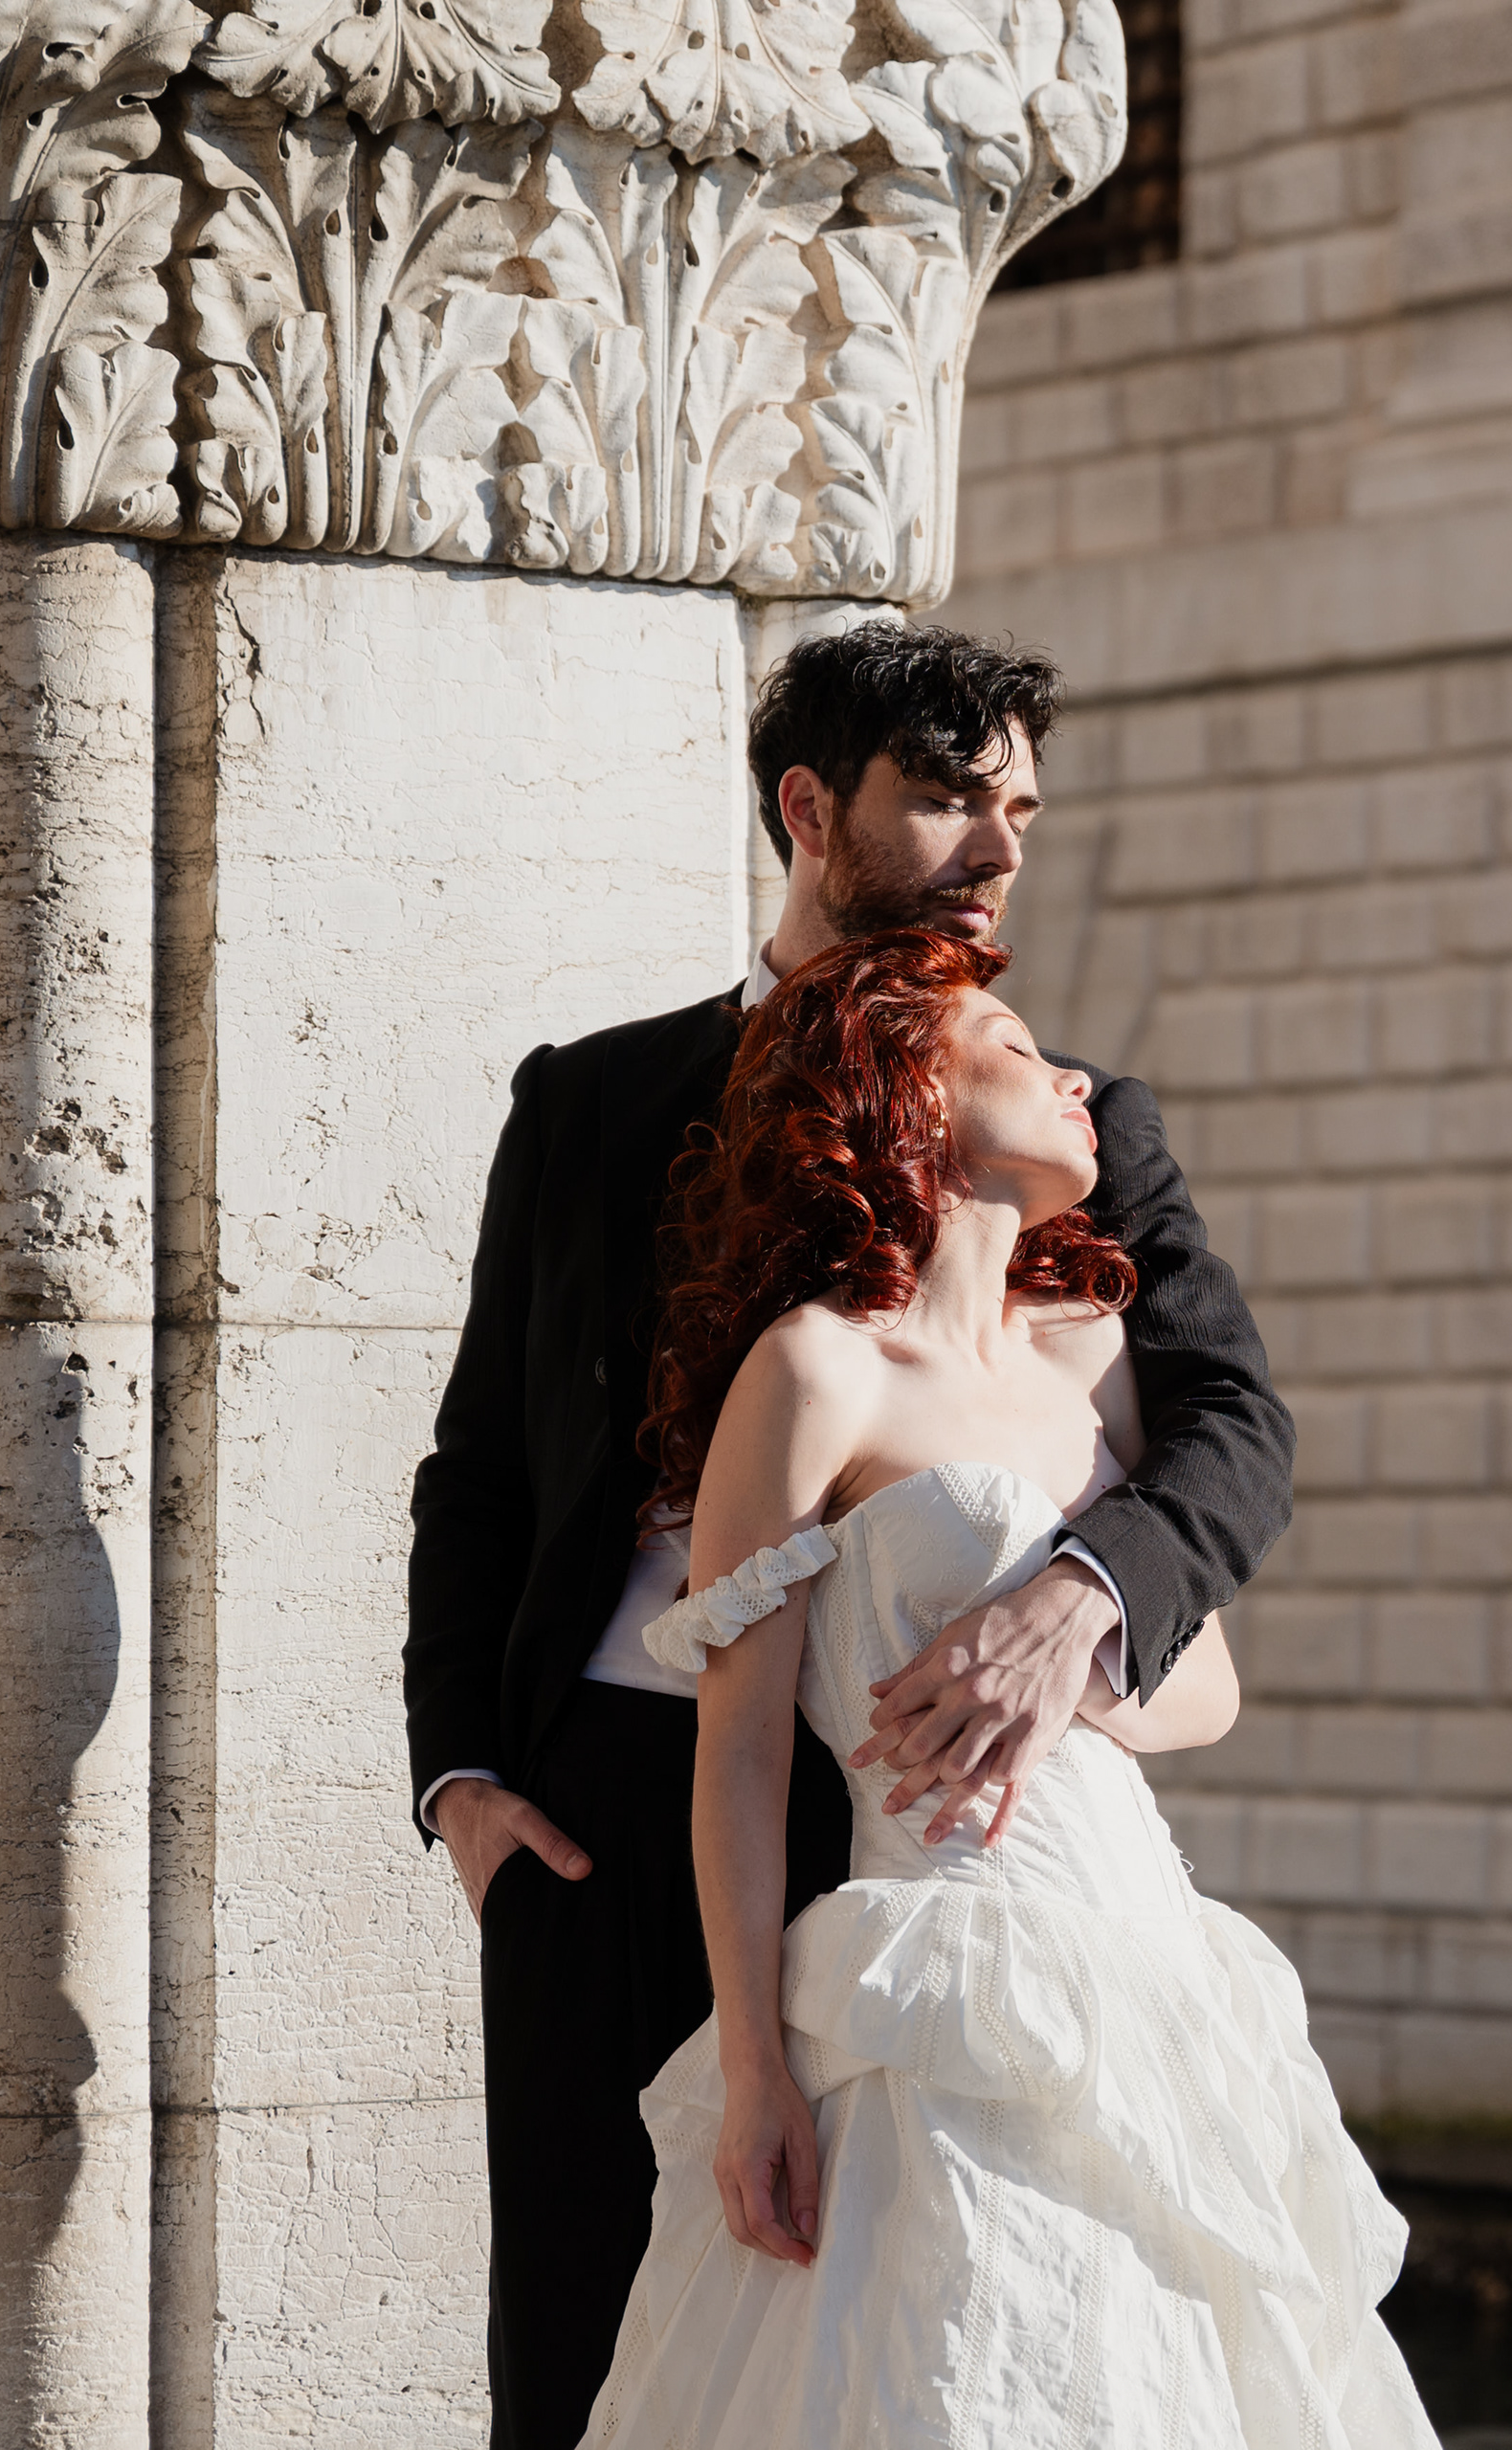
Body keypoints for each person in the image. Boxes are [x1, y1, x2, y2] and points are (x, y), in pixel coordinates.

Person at [403, 626, 1298, 2450]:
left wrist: (1086, 1594)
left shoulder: (1082, 1123)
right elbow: (483, 1470)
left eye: (1021, 807)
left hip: (935, 1831)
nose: (1001, 847)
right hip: (615, 1826)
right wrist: (467, 1785)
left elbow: (1235, 1432)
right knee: (588, 2364)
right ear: (812, 811)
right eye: (951, 795)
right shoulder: (584, 1102)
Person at [576, 926, 1435, 2447]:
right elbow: (742, 1756)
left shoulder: (1092, 1358)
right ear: (908, 1084)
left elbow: (1209, 1688)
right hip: (939, 1977)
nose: (1075, 1079)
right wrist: (758, 2070)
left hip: (1147, 1967)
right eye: (1021, 1047)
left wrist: (1051, 1647)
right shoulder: (815, 1368)